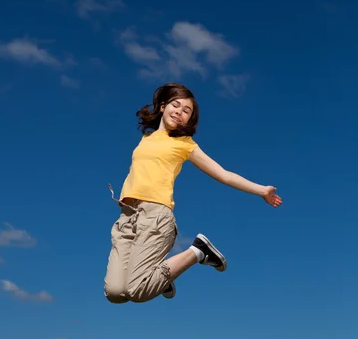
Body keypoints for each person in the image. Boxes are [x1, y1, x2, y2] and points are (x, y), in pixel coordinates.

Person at [104, 83, 282, 304]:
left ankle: (199, 251)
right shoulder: (146, 139)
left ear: (189, 120)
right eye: (175, 105)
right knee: (115, 293)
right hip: (127, 217)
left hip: (155, 217)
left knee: (137, 292)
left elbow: (223, 174)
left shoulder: (184, 144)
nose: (179, 111)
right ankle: (161, 275)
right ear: (162, 107)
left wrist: (262, 190)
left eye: (186, 111)